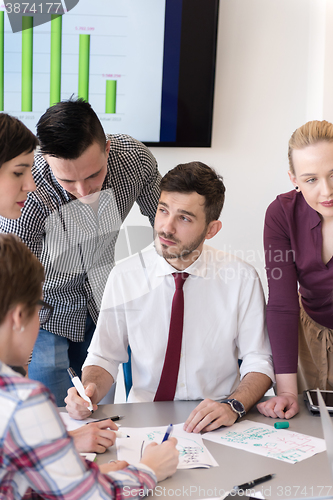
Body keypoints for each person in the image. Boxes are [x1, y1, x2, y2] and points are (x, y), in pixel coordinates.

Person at [65, 162, 274, 433]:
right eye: (163, 210)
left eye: (184, 218)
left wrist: (233, 405)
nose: (166, 228)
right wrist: (89, 391)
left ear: (211, 230)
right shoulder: (125, 276)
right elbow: (104, 356)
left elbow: (259, 360)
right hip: (141, 421)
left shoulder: (242, 278)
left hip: (217, 419)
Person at [0, 98, 161, 406]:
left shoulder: (133, 160)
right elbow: (15, 286)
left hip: (103, 304)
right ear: (45, 161)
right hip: (44, 313)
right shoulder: (28, 193)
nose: (84, 191)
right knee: (53, 416)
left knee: (99, 413)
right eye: (67, 180)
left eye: (92, 175)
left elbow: (165, 222)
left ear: (107, 149)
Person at [0, 233, 179, 499]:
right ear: (18, 317)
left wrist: (86, 475)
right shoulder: (22, 400)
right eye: (40, 307)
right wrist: (148, 469)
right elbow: (92, 496)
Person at [257, 120, 333, 421]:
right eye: (311, 179)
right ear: (294, 180)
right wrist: (286, 392)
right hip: (306, 335)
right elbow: (281, 303)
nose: (326, 190)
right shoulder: (280, 215)